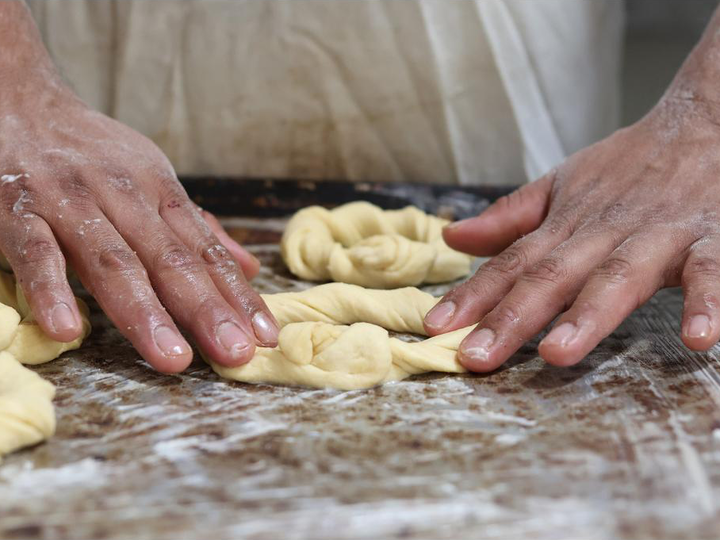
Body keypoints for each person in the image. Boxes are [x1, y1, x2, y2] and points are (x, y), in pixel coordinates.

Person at [3, 1, 715, 376]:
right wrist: (14, 88)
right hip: (103, 48)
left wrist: (708, 117)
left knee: (542, 261)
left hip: (480, 39)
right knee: (72, 224)